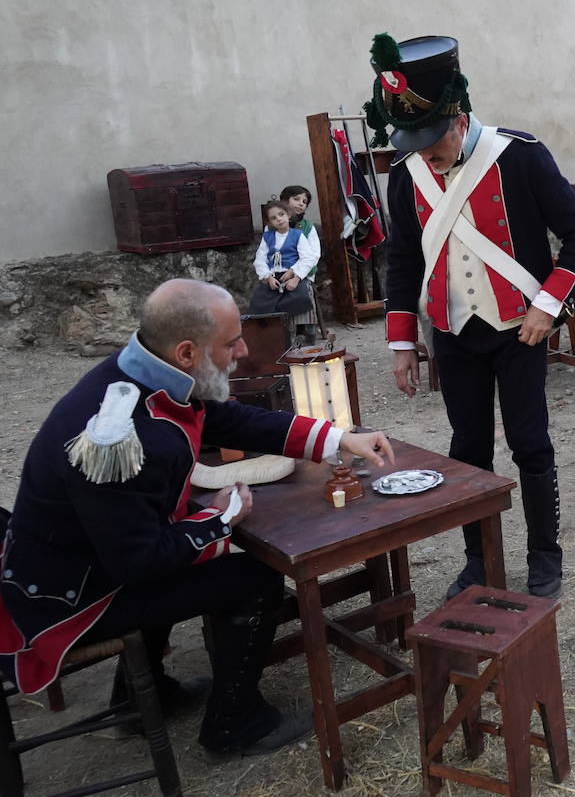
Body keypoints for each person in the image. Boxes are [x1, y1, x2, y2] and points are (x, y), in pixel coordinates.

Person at [0, 279, 393, 759]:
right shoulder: (120, 435)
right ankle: (235, 724)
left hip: (89, 565)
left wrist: (336, 439)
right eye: (231, 343)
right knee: (254, 574)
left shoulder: (143, 372)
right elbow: (139, 564)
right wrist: (221, 517)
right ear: (187, 351)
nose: (243, 352)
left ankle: (147, 696)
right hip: (72, 600)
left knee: (205, 554)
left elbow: (231, 420)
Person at [365, 34, 575, 598]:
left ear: (458, 115)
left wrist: (549, 306)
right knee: (467, 448)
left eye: (431, 139)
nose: (425, 153)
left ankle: (545, 554)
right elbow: (401, 260)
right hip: (452, 332)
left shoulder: (519, 155)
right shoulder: (407, 174)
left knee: (530, 444)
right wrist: (402, 343)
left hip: (519, 328)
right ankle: (480, 560)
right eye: (413, 142)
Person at [248, 200, 317, 316]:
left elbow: (307, 258)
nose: (279, 219)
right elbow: (260, 259)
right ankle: (271, 328)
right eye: (274, 218)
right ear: (270, 223)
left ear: (288, 215)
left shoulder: (298, 235)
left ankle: (299, 328)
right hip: (273, 278)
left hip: (292, 276)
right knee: (258, 302)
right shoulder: (267, 237)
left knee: (300, 297)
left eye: (281, 214)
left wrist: (295, 276)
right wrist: (268, 277)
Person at [279, 185, 322, 283]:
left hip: (303, 276)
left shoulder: (308, 227)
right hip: (278, 275)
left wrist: (296, 273)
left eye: (304, 202)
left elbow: (314, 255)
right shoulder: (272, 227)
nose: (301, 204)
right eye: (296, 199)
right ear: (284, 201)